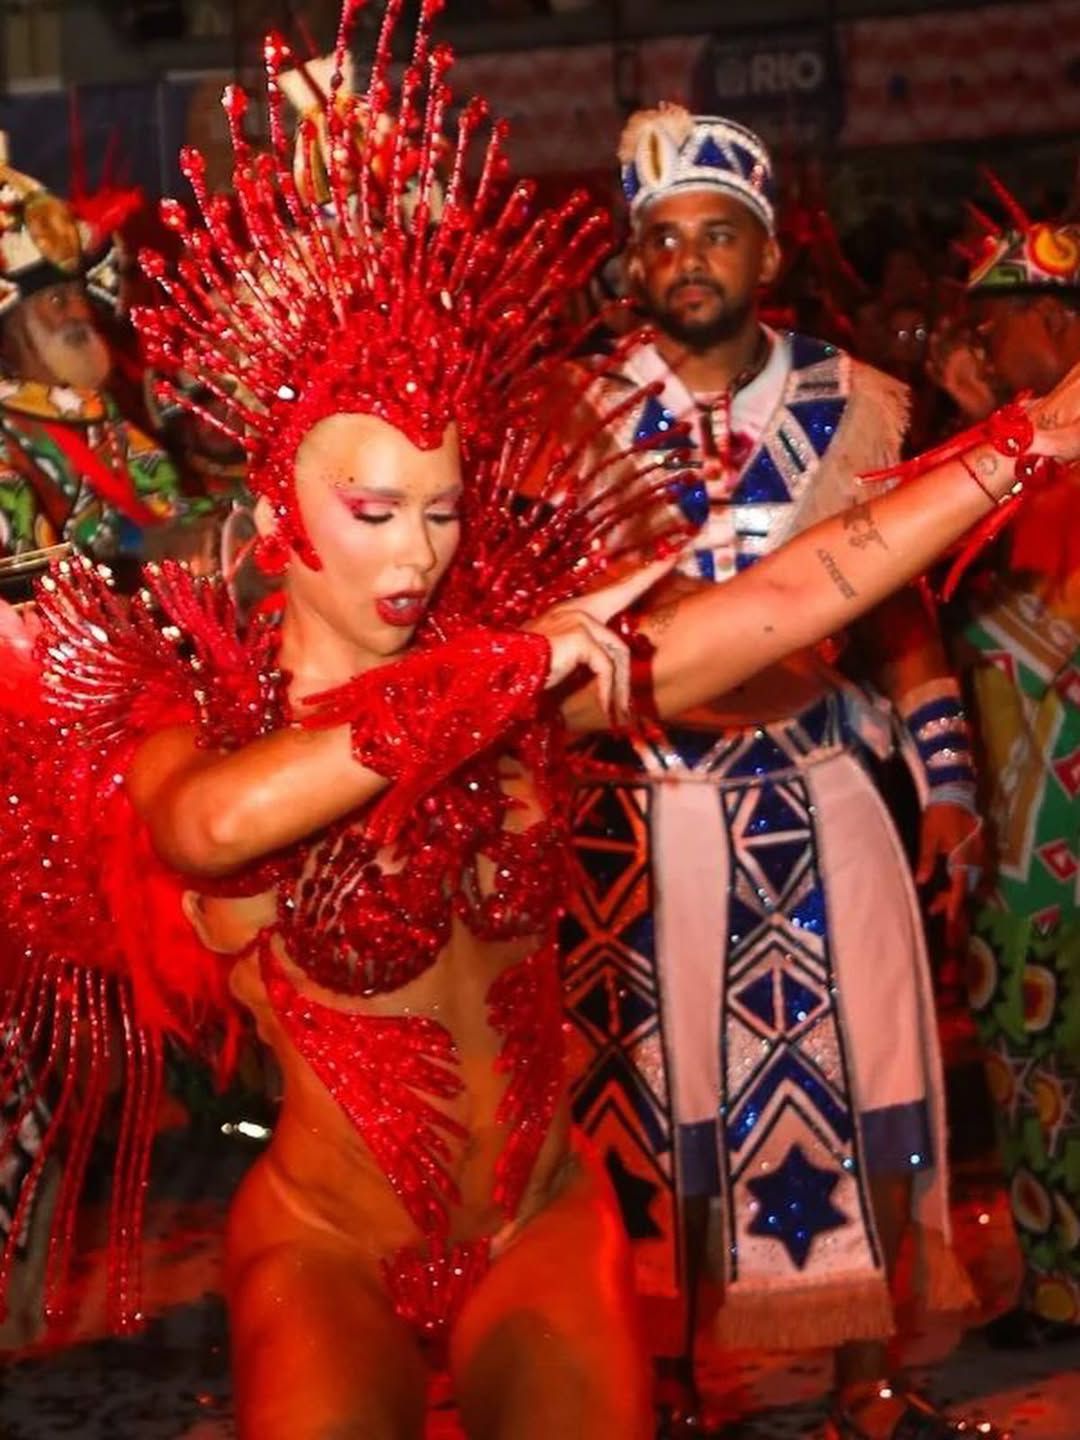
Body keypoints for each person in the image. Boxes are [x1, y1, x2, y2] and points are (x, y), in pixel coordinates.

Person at [0, 8, 1077, 1438]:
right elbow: (209, 824)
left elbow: (791, 596)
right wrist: (496, 681)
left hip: (541, 1223)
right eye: (375, 512)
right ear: (274, 514)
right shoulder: (196, 694)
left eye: (445, 511)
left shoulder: (530, 644)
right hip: (328, 1248)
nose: (418, 559)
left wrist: (1023, 444)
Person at [561, 106, 994, 1438]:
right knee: (667, 1099)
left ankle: (864, 1372)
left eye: (718, 237)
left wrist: (946, 783)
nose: (689, 259)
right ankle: (684, 1377)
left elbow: (903, 614)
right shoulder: (571, 421)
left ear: (766, 257)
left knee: (871, 1084)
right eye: (664, 240)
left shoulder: (859, 402)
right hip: (656, 814)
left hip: (822, 795)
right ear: (636, 265)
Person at [945, 194, 1080, 1350]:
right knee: (1032, 1053)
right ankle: (1055, 1284)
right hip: (1016, 832)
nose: (985, 349)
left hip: (1049, 851)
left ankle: (1060, 1292)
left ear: (1053, 322)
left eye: (1000, 328)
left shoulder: (1045, 471)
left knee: (1043, 1050)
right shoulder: (1018, 459)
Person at [0, 148, 188, 563]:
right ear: (12, 327)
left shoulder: (103, 410)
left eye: (78, 294)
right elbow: (24, 558)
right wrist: (135, 548)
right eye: (55, 299)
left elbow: (169, 503)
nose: (80, 312)